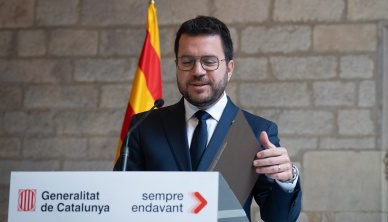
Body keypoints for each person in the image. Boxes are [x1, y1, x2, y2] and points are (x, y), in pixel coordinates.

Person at [114, 16, 302, 221]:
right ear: (177, 65)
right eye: (187, 62)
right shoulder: (143, 127)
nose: (197, 71)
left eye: (209, 62)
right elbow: (121, 202)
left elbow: (279, 218)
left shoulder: (257, 131)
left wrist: (287, 179)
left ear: (229, 69)